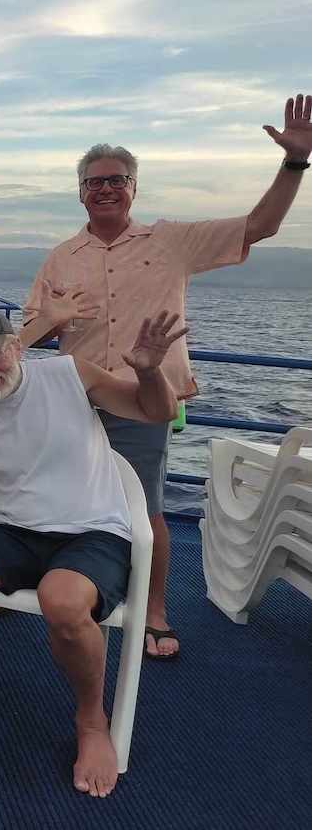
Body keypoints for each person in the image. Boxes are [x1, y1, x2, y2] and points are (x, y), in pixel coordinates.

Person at [17, 93, 311, 660]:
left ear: (133, 188)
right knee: (57, 495)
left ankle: (153, 610)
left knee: (144, 506)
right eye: (95, 181)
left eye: (117, 180)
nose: (106, 188)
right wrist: (51, 322)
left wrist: (294, 161)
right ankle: (46, 584)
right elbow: (34, 333)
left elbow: (260, 225)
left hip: (142, 401)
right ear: (80, 192)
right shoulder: (61, 256)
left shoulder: (172, 240)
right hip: (76, 399)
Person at [0, 305, 185, 798]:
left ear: (16, 347)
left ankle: (91, 722)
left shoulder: (68, 375)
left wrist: (149, 371)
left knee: (60, 599)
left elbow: (156, 411)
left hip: (93, 529)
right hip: (19, 532)